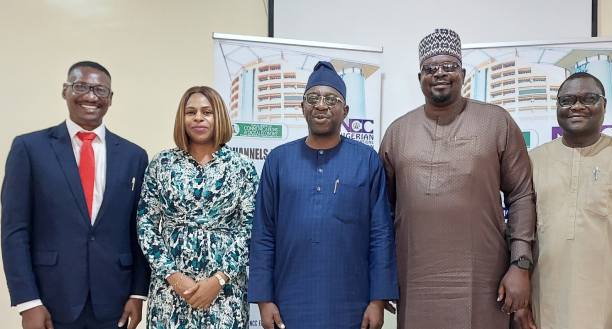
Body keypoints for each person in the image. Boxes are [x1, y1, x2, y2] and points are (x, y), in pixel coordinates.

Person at [379, 28, 535, 329]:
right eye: (430, 68)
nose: (439, 74)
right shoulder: (397, 132)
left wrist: (520, 264)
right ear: (419, 77)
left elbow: (521, 196)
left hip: (484, 279)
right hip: (415, 279)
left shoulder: (496, 121)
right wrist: (381, 276)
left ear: (462, 73)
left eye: (449, 67)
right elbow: (381, 211)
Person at [249, 61, 398, 329]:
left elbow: (381, 233)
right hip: (288, 301)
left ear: (345, 111)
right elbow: (263, 234)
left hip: (351, 301)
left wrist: (377, 300)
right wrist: (263, 299)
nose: (321, 105)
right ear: (302, 107)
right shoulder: (278, 161)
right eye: (313, 98)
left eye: (331, 99)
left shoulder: (366, 161)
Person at [1, 61, 149, 329]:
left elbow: (139, 229)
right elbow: (14, 230)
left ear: (111, 99)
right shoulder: (29, 148)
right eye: (81, 86)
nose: (91, 96)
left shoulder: (134, 156)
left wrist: (138, 293)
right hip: (50, 300)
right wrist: (28, 301)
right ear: (65, 90)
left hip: (115, 301)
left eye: (100, 90)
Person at [519, 72, 612, 329]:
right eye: (566, 100)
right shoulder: (533, 161)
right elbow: (520, 237)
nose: (577, 106)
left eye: (589, 98)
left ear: (604, 106)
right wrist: (520, 303)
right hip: (545, 312)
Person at [136, 86, 258, 328]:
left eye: (207, 112)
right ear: (182, 118)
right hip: (170, 290)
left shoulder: (241, 167)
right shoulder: (162, 163)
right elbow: (145, 223)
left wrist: (220, 280)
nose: (198, 118)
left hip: (225, 292)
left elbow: (251, 227)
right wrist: (173, 276)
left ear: (219, 117)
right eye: (191, 112)